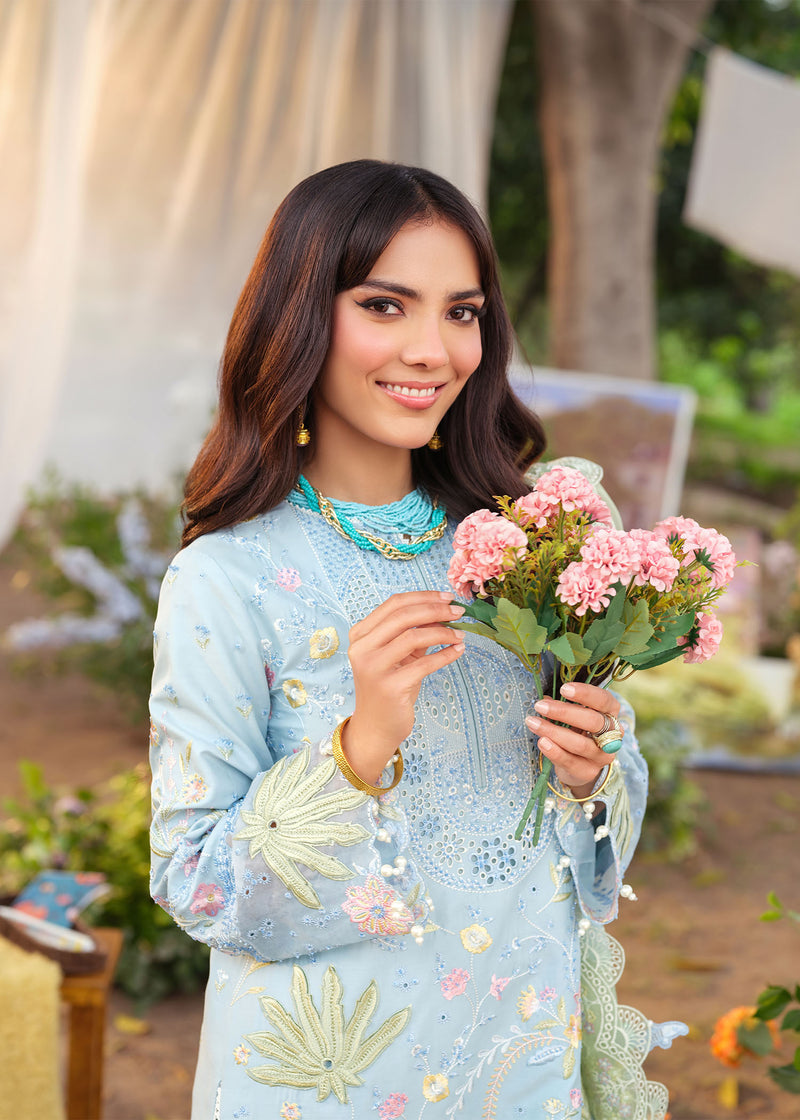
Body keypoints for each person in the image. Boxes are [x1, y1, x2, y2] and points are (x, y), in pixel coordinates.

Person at [149, 160, 683, 1120]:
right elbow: (197, 884)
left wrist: (590, 771)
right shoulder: (224, 579)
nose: (433, 349)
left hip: (521, 1062)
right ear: (301, 314)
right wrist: (359, 748)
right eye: (386, 306)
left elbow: (598, 855)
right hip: (328, 1079)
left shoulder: (526, 549)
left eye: (462, 312)